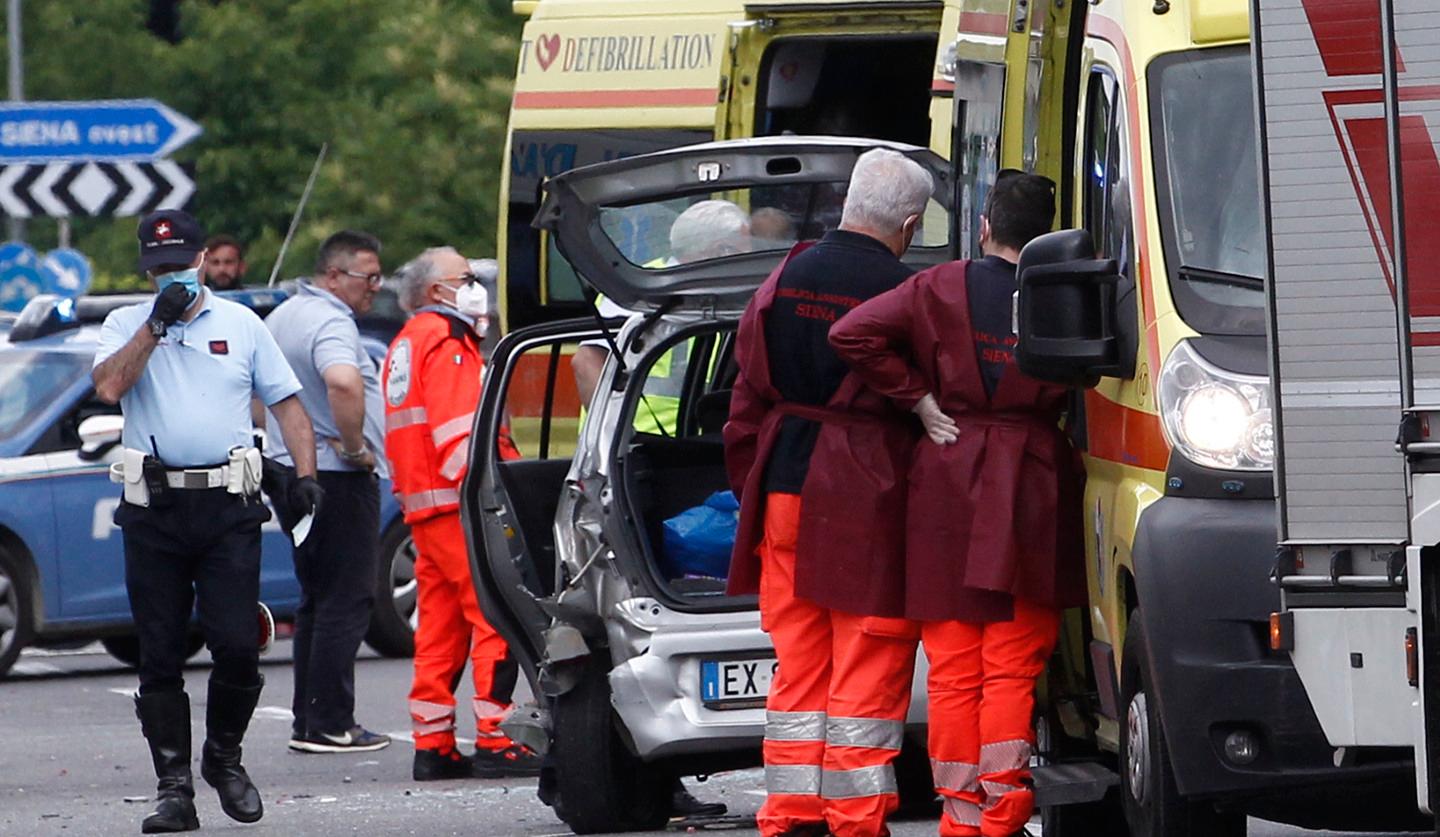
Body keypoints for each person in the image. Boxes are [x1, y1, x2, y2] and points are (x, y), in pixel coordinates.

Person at [828, 171, 1087, 837]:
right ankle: (1004, 812)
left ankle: (962, 817)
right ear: (1049, 235)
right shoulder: (1067, 290)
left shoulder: (935, 286)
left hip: (947, 479)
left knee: (951, 669)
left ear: (983, 226)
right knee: (1012, 664)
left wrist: (917, 396)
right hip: (1030, 481)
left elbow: (853, 334)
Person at [723, 148, 934, 837]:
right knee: (868, 661)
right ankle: (853, 817)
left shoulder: (783, 277)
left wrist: (752, 487)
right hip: (867, 494)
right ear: (908, 222)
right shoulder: (909, 294)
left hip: (786, 487)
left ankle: (791, 812)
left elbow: (745, 403)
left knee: (798, 660)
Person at [92, 209, 323, 833]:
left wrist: (306, 477)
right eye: (159, 269)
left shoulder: (243, 324)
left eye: (179, 267)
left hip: (226, 505)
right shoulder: (123, 324)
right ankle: (173, 788)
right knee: (160, 652)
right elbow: (110, 387)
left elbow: (288, 405)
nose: (171, 278)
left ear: (202, 261)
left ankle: (224, 758)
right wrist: (155, 326)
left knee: (236, 644)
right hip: (154, 508)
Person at [383, 246, 541, 781]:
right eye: (466, 276)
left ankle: (434, 744)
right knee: (496, 614)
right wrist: (495, 494)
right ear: (436, 291)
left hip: (425, 512)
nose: (477, 284)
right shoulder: (448, 341)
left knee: (441, 630)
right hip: (459, 506)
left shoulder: (406, 342)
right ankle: (497, 737)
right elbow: (460, 437)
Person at [265, 230, 392, 755]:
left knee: (316, 598)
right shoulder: (330, 321)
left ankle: (310, 718)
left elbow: (260, 391)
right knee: (346, 597)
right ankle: (332, 723)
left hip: (289, 468)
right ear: (334, 276)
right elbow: (343, 381)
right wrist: (357, 446)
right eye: (369, 278)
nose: (376, 289)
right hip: (335, 474)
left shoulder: (282, 316)